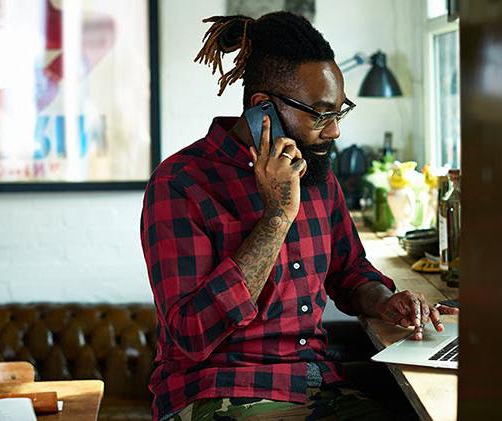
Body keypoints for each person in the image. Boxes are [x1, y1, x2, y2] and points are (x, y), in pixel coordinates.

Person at [140, 11, 457, 421]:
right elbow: (192, 333)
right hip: (218, 390)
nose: (334, 132)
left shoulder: (317, 174)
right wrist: (277, 216)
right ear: (262, 110)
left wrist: (385, 301)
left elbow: (350, 271)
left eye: (339, 112)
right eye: (321, 114)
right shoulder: (181, 183)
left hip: (318, 382)